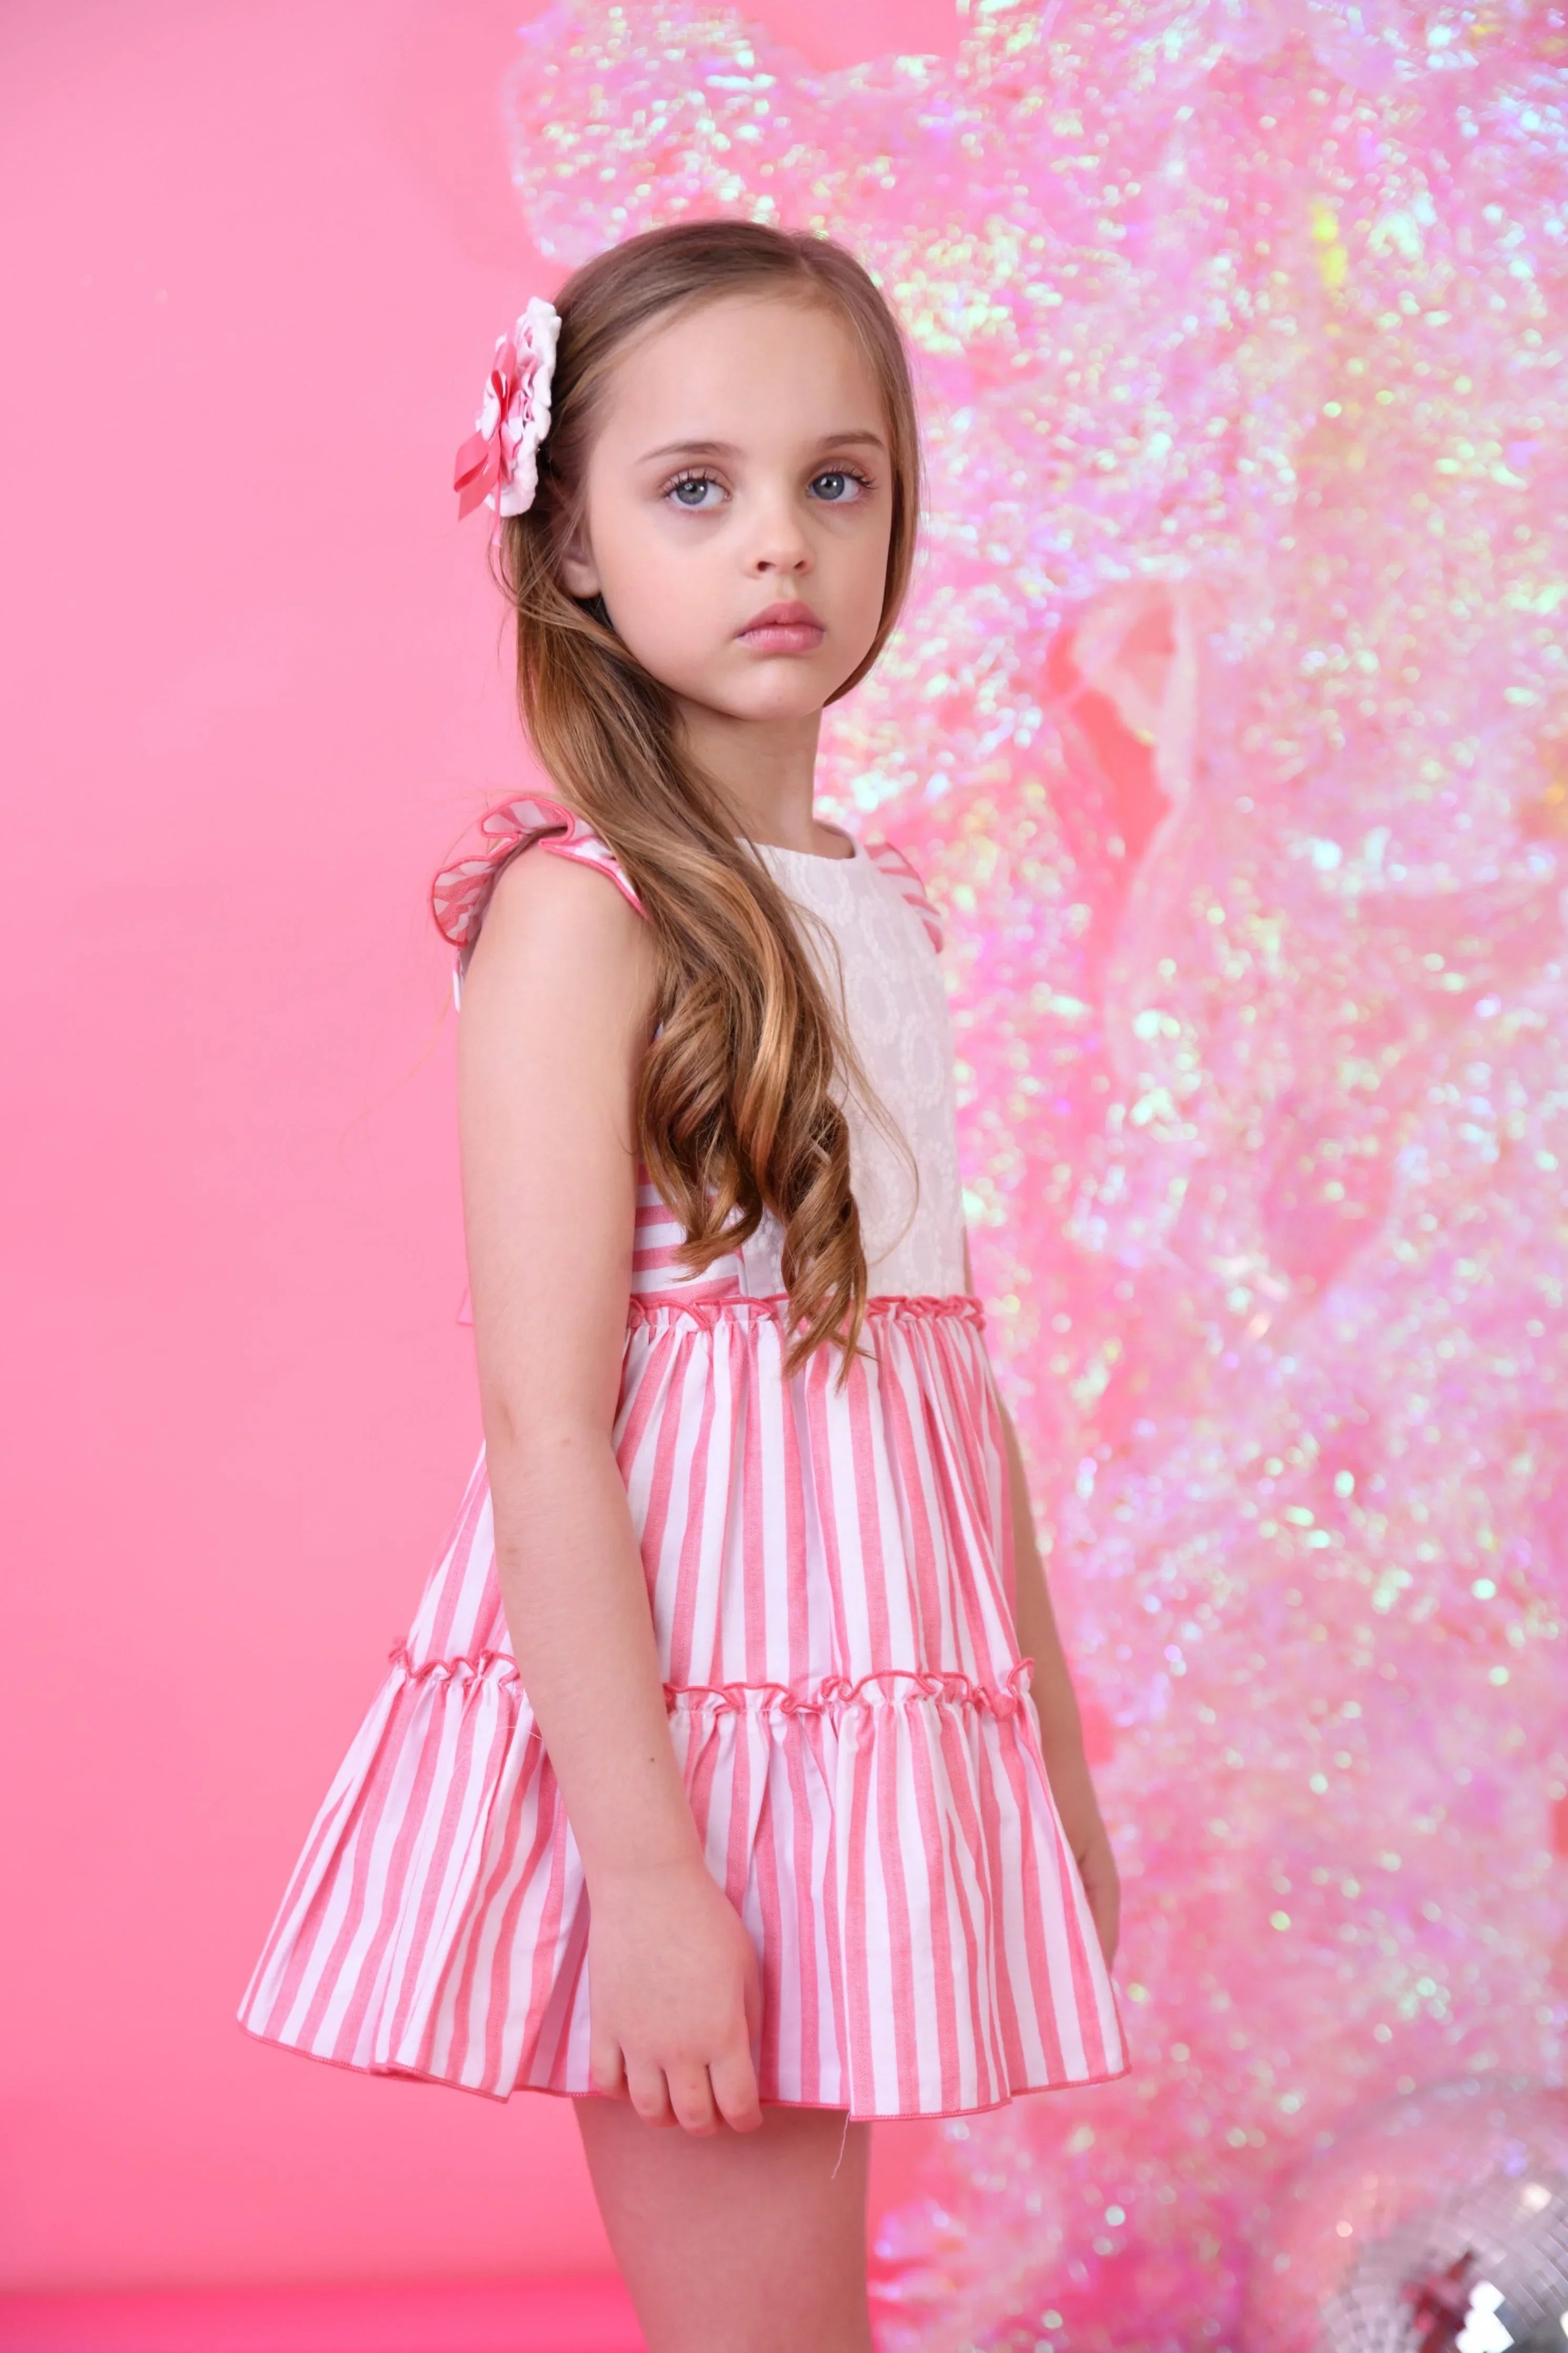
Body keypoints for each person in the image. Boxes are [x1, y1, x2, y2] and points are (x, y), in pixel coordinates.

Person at [241, 218, 1128, 2353]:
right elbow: (547, 1424)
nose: (778, 548)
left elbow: (943, 1374)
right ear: (566, 551)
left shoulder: (874, 906)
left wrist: (1060, 1775)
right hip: (694, 1749)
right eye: (693, 487)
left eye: (835, 480)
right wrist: (643, 1876)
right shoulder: (587, 915)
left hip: (875, 1723)